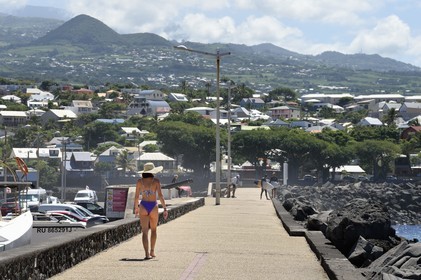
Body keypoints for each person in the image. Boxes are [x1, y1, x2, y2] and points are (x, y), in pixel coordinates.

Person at [134, 162, 168, 260]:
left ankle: (146, 254)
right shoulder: (156, 181)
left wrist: (136, 208)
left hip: (143, 205)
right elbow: (160, 196)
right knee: (154, 230)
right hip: (153, 206)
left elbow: (136, 196)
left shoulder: (139, 182)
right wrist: (165, 208)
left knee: (144, 231)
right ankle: (152, 251)